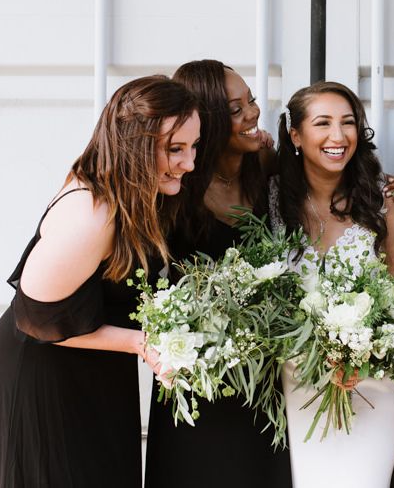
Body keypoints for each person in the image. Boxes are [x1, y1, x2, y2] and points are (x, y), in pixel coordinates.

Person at [0, 76, 201, 488]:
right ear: (134, 144)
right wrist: (141, 343)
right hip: (44, 373)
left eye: (193, 147)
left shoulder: (136, 196)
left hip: (94, 370)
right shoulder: (92, 213)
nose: (189, 163)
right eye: (175, 149)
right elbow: (37, 318)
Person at [144, 60, 291, 488]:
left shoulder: (263, 163)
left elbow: (320, 191)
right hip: (197, 376)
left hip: (261, 375)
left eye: (252, 101)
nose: (253, 114)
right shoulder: (174, 187)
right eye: (235, 109)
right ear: (205, 119)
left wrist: (382, 189)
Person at [269, 81, 394, 488]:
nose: (338, 136)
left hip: (374, 380)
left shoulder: (385, 199)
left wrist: (361, 353)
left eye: (348, 123)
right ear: (296, 135)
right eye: (323, 123)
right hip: (299, 378)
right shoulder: (273, 198)